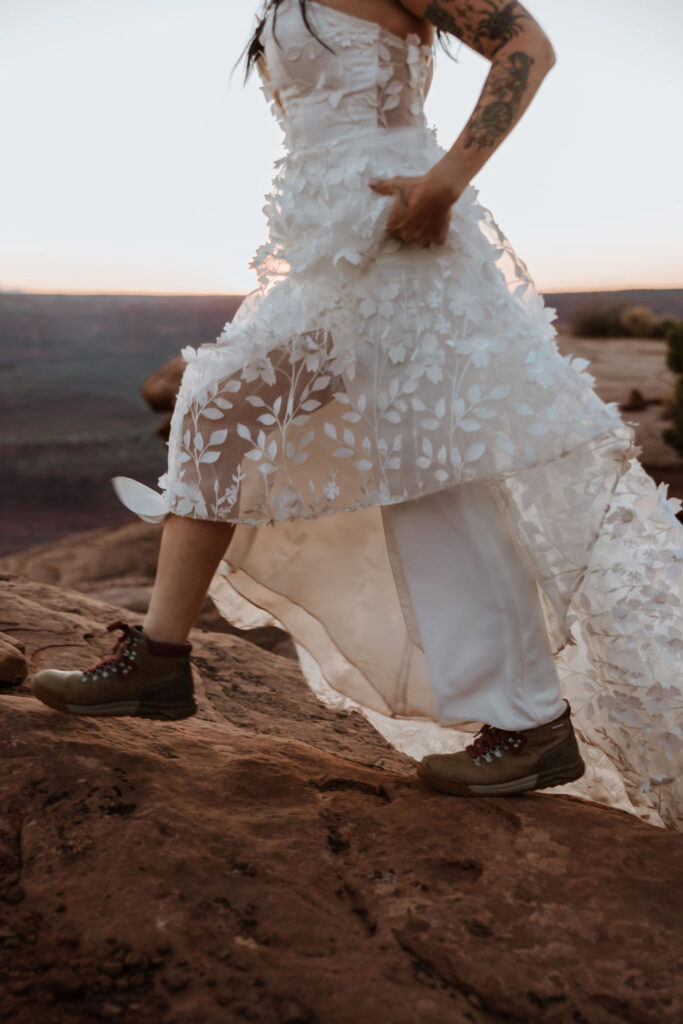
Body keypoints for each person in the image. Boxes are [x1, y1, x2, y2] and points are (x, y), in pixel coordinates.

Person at [32, 0, 682, 829]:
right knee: (231, 411)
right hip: (331, 250)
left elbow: (526, 44)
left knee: (429, 472)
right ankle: (160, 663)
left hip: (402, 240)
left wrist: (444, 182)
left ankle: (528, 722)